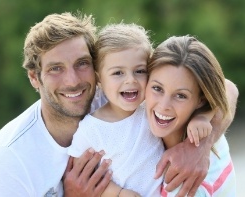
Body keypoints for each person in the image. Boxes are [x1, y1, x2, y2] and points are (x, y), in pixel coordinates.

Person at [0, 11, 238, 197]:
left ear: (96, 71)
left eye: (81, 64)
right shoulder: (7, 158)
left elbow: (224, 88)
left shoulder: (118, 96)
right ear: (35, 78)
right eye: (56, 69)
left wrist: (200, 147)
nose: (73, 81)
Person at [67, 23, 215, 197]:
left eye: (139, 71)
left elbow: (215, 99)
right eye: (118, 73)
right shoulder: (90, 129)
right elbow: (82, 176)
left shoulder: (152, 107)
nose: (131, 80)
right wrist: (119, 193)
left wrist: (203, 118)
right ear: (99, 78)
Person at [145, 35, 237, 196]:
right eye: (157, 88)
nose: (164, 106)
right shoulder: (206, 127)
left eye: (180, 95)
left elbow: (227, 89)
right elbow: (227, 88)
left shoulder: (185, 180)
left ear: (200, 101)